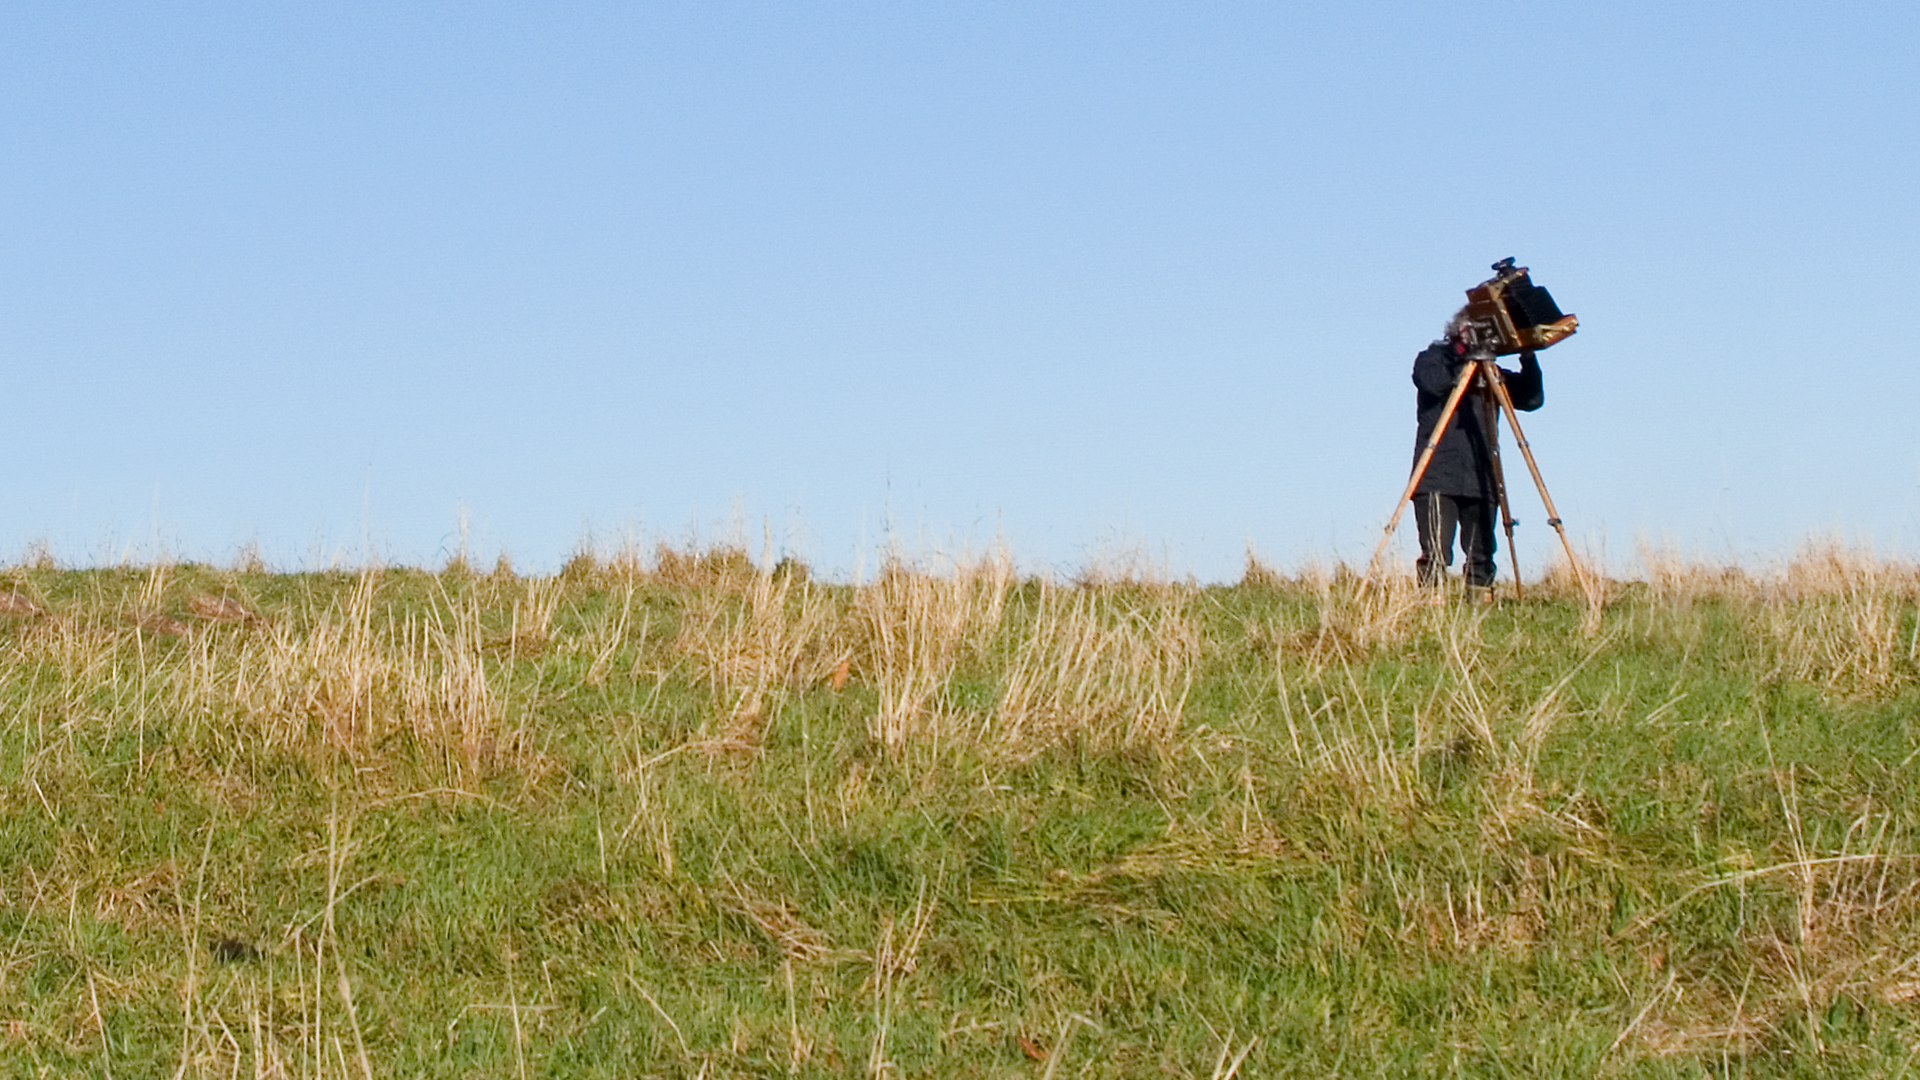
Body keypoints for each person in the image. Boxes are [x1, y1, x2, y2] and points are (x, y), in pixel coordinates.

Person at [1409, 316, 1543, 592]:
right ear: (1459, 330)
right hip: (1437, 474)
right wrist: (1467, 358)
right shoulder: (1433, 358)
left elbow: (1531, 399)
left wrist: (1527, 356)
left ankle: (1479, 606)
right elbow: (1432, 382)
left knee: (1482, 556)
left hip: (1482, 475)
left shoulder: (1491, 372)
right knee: (1436, 552)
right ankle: (1430, 606)